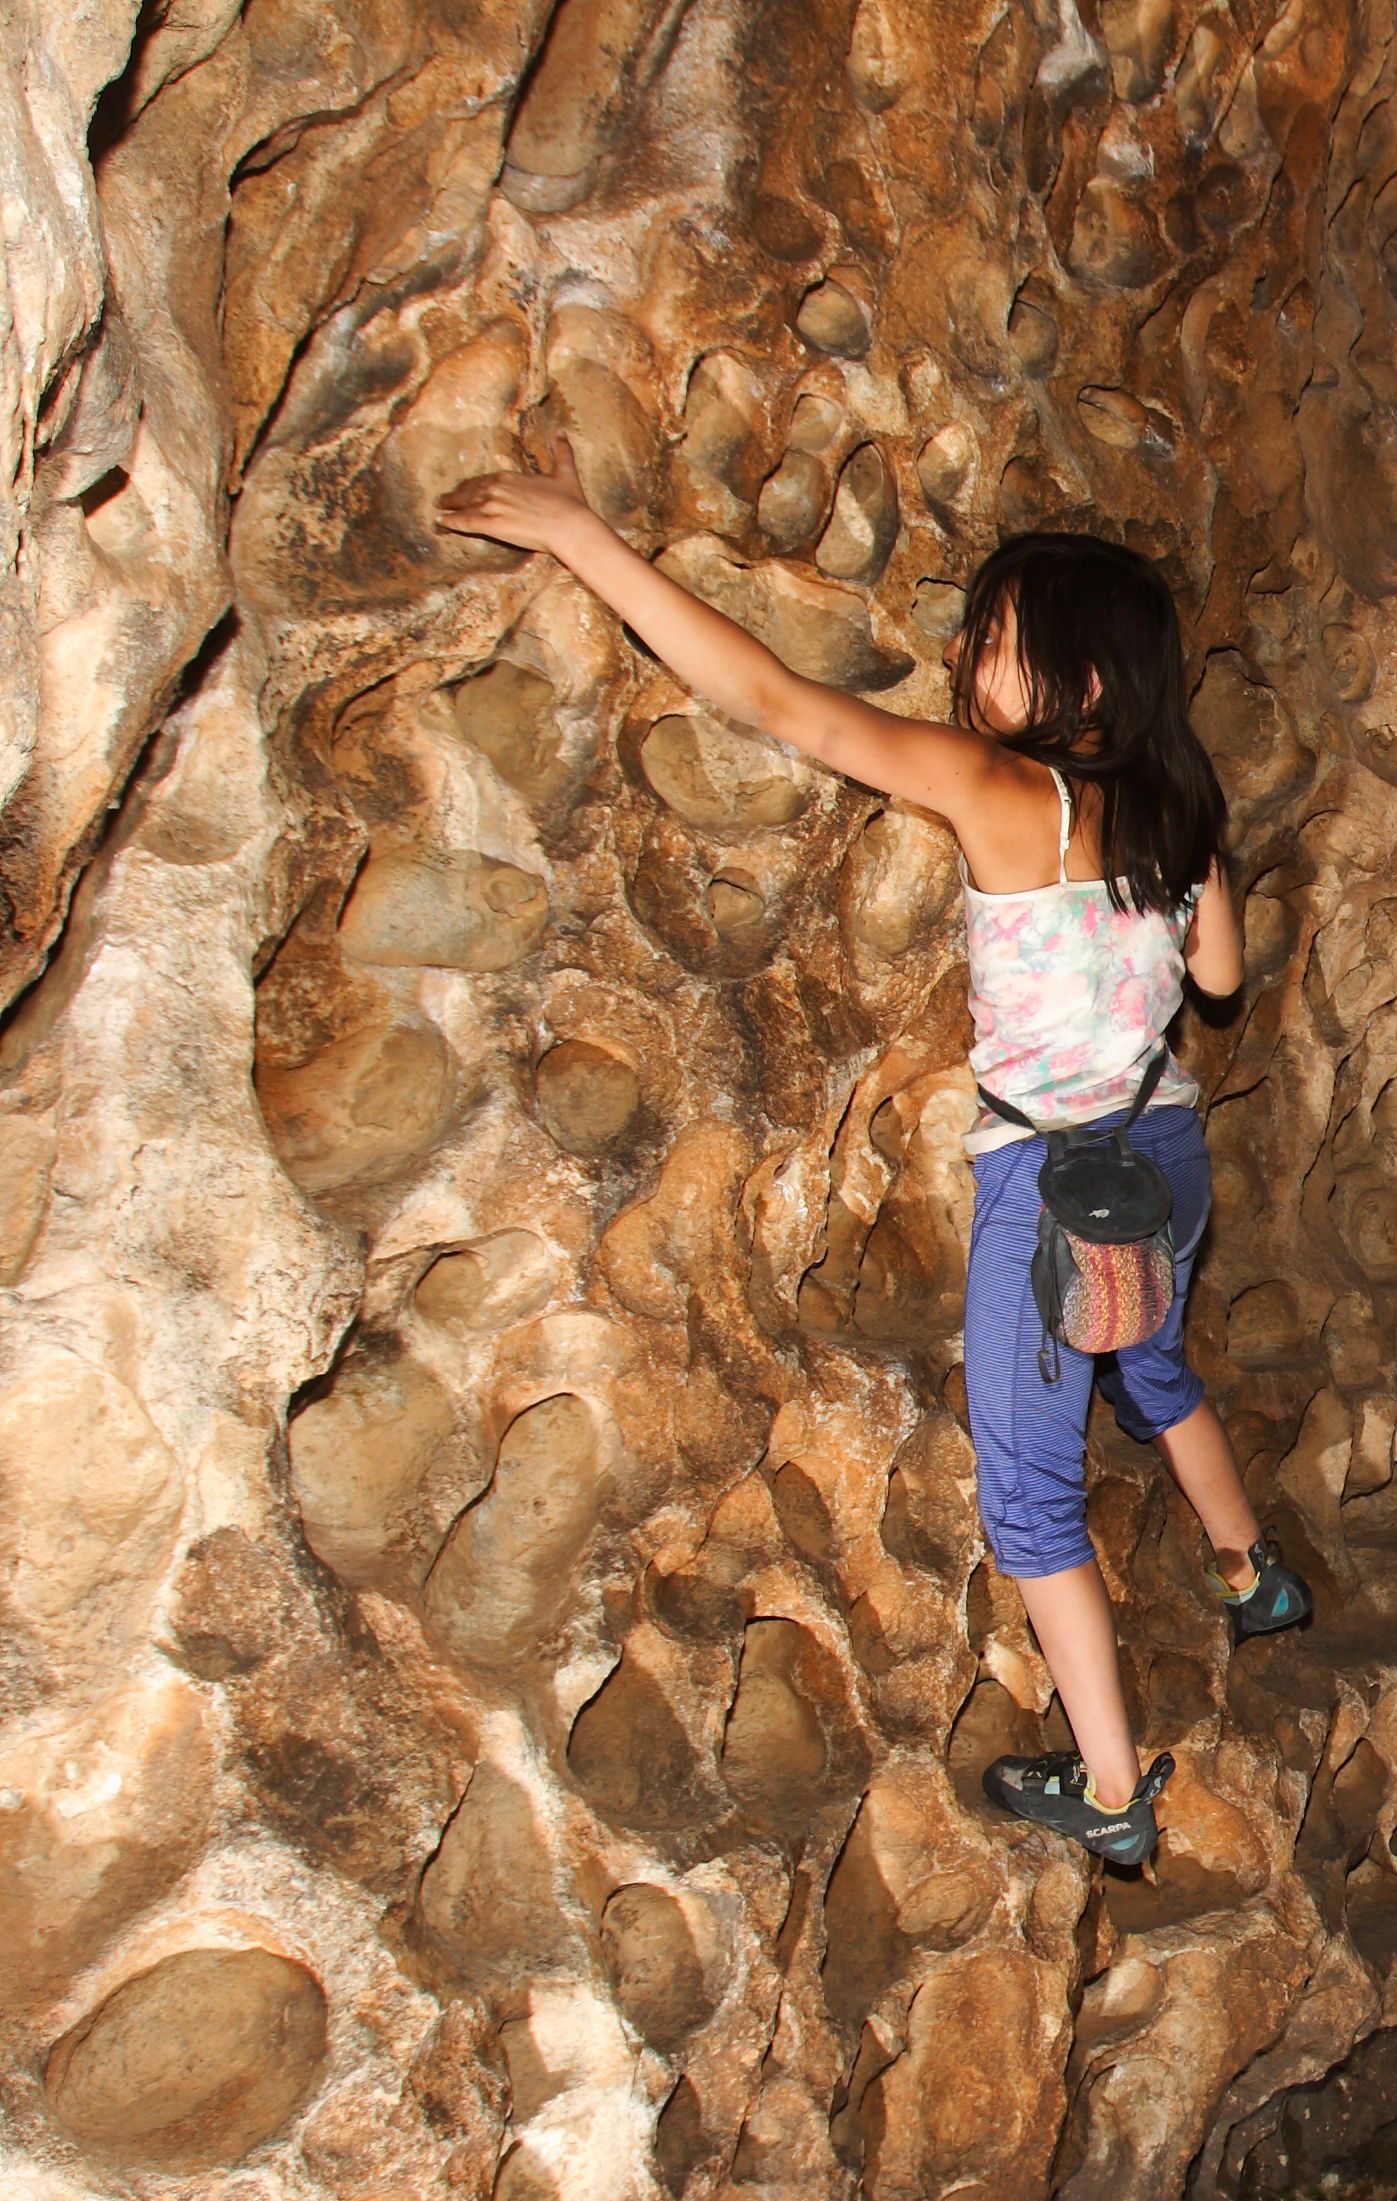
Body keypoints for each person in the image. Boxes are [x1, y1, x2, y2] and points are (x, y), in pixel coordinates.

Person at [438, 439, 1313, 1866]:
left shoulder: (998, 789)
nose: (971, 656)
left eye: (1000, 641)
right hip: (1164, 1147)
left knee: (1030, 1503)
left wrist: (581, 539)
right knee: (1152, 1364)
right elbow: (1216, 978)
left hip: (1050, 1188)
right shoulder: (1177, 815)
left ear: (1081, 687)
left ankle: (1107, 1790)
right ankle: (1246, 1566)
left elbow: (784, 704)